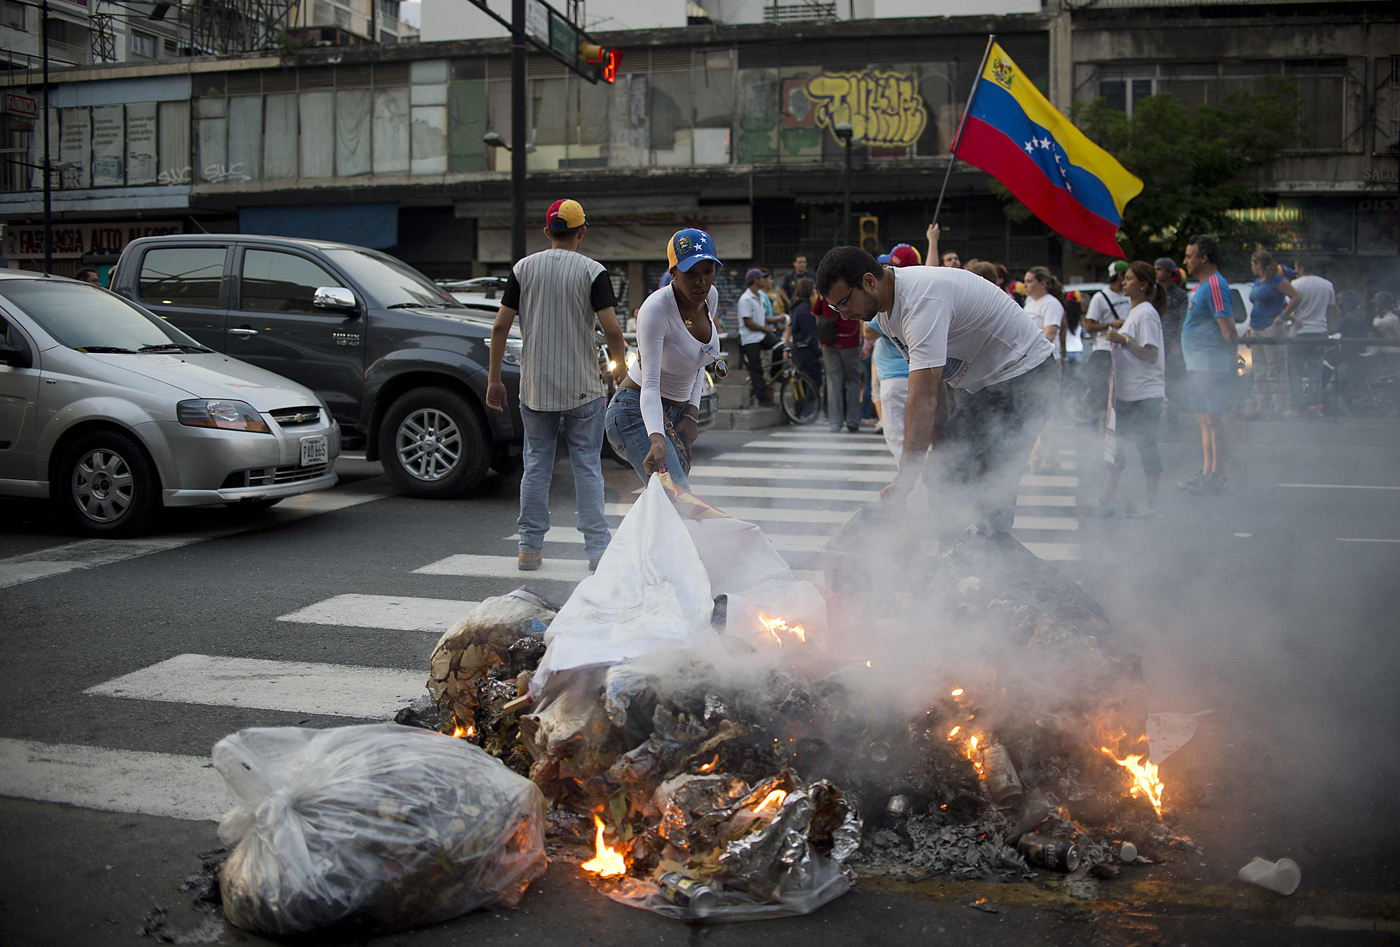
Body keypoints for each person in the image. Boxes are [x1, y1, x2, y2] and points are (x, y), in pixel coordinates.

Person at [815, 246, 1058, 534]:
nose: (843, 316)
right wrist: (939, 451)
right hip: (986, 386)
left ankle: (990, 563)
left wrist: (905, 480)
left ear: (869, 281)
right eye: (835, 308)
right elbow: (936, 383)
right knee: (942, 473)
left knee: (989, 482)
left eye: (843, 302)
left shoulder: (921, 301)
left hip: (1025, 376)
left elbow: (922, 399)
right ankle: (953, 559)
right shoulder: (884, 313)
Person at [487, 198, 627, 572]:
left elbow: (499, 327)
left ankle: (529, 549)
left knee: (536, 466)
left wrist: (494, 378)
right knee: (586, 466)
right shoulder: (592, 271)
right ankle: (597, 550)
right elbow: (612, 330)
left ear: (548, 232)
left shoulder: (523, 269)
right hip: (583, 387)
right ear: (582, 232)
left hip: (535, 387)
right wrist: (621, 368)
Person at [605, 229, 724, 492]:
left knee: (675, 505)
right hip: (635, 411)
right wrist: (656, 438)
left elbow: (700, 361)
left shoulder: (710, 297)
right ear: (673, 273)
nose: (701, 282)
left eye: (708, 271)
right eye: (691, 272)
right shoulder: (656, 310)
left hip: (675, 415)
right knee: (679, 501)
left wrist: (691, 414)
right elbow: (649, 385)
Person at [1094, 261, 1167, 517]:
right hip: (1127, 393)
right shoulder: (1137, 312)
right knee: (1116, 446)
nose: (1123, 282)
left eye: (1129, 279)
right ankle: (1106, 499)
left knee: (1145, 446)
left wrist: (1123, 339)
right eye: (1123, 279)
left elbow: (1150, 354)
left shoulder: (1146, 312)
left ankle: (1152, 503)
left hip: (1143, 394)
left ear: (1144, 284)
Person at [1178, 234, 1236, 496]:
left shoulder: (1215, 284)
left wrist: (1230, 360)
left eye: (1190, 256)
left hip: (1211, 365)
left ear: (1204, 257)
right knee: (1204, 419)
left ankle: (1217, 475)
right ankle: (1206, 472)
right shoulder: (1202, 286)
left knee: (1214, 419)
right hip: (1199, 365)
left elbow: (1228, 329)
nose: (1186, 261)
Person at [1246, 249, 1300, 416]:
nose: (1251, 268)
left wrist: (1283, 316)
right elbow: (1256, 305)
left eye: (1252, 264)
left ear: (1259, 264)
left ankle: (1280, 404)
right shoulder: (1258, 282)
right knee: (1259, 367)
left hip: (1271, 328)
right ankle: (1260, 402)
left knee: (1274, 367)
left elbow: (1296, 297)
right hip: (1256, 327)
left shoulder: (1277, 280)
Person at [1283, 255, 1337, 416]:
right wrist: (1327, 328)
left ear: (1300, 268)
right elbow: (1332, 310)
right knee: (1316, 370)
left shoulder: (1294, 285)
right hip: (1319, 333)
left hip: (1298, 334)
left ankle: (1297, 406)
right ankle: (1315, 405)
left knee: (1296, 372)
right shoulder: (1327, 285)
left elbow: (1288, 309)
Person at [817, 280, 864, 433]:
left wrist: (821, 338)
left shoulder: (823, 292)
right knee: (853, 381)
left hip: (829, 342)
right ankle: (853, 421)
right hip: (850, 340)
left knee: (833, 382)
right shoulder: (853, 288)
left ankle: (835, 423)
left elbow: (817, 314)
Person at [1083, 262, 1132, 406]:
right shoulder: (1100, 297)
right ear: (1120, 276)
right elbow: (1089, 326)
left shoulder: (1129, 295)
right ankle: (1101, 421)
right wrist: (1110, 324)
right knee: (1102, 392)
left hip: (1127, 349)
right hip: (1105, 349)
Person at [738, 267, 782, 407]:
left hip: (761, 335)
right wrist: (765, 328)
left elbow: (763, 318)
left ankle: (777, 372)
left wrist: (769, 329)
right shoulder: (745, 299)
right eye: (762, 278)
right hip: (750, 339)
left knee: (780, 347)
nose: (765, 280)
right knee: (756, 369)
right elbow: (748, 321)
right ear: (755, 281)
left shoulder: (761, 298)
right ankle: (763, 399)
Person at [1154, 257, 1189, 427]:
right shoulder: (1153, 293)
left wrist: (1178, 341)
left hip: (1171, 342)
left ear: (1168, 272)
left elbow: (1183, 319)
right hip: (1156, 342)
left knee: (1173, 382)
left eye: (1159, 269)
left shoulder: (1180, 295)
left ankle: (1172, 420)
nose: (1156, 273)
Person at [786, 277, 824, 415]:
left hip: (799, 350)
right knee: (814, 381)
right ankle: (807, 412)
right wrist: (818, 353)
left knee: (803, 382)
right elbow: (810, 334)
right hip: (806, 352)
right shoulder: (804, 309)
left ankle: (800, 411)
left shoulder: (797, 307)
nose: (815, 292)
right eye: (813, 289)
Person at [1022, 267, 1066, 357]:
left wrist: (1031, 353)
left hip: (1046, 358)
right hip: (1030, 358)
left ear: (1042, 284)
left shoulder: (1051, 303)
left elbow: (1049, 335)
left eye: (1029, 281)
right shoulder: (1029, 302)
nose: (1025, 285)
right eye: (1025, 281)